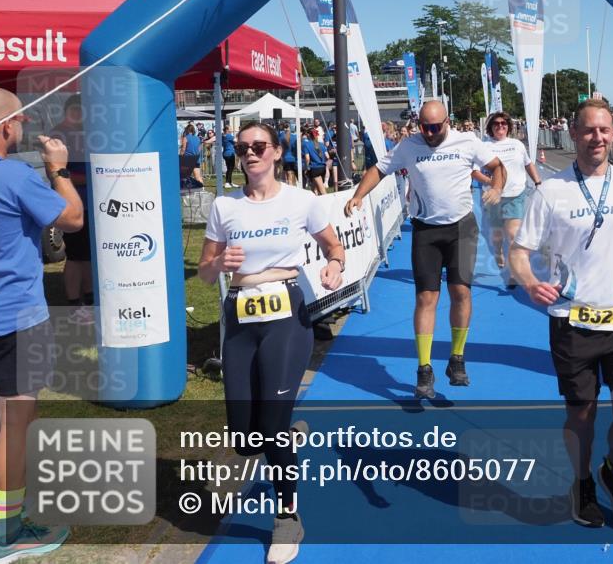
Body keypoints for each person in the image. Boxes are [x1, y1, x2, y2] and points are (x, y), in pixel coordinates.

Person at [508, 99, 613, 530]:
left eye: (605, 130)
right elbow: (518, 252)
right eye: (589, 130)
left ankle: (612, 471)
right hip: (571, 318)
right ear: (573, 135)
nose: (598, 137)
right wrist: (528, 282)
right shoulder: (549, 192)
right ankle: (581, 481)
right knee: (582, 416)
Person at [198, 121, 344, 564]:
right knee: (246, 440)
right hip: (240, 317)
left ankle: (287, 517)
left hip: (285, 315)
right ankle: (283, 434)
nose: (250, 154)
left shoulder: (301, 201)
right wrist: (220, 261)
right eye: (242, 148)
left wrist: (334, 267)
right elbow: (206, 272)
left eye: (259, 146)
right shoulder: (225, 206)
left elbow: (333, 247)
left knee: (273, 428)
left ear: (278, 152)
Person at [345, 101, 506, 398]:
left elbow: (497, 168)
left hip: (461, 227)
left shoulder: (467, 142)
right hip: (426, 229)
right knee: (425, 297)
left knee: (461, 293)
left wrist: (496, 188)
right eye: (424, 127)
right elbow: (378, 170)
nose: (430, 133)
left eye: (435, 127)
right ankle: (424, 368)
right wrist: (358, 196)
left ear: (447, 121)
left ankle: (456, 359)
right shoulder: (409, 145)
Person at [0, 86, 84, 561]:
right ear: (6, 126)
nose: (24, 127)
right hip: (16, 316)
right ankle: (8, 534)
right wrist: (59, 169)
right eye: (21, 121)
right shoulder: (13, 175)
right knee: (17, 424)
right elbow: (73, 217)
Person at [473, 112, 542, 283]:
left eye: (504, 123)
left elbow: (528, 164)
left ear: (508, 126)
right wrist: (492, 181)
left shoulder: (517, 144)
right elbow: (474, 172)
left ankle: (512, 272)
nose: (500, 126)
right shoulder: (484, 146)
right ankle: (498, 251)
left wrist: (538, 182)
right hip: (493, 197)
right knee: (497, 235)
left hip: (515, 195)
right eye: (496, 123)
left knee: (513, 234)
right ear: (491, 127)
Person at [49, 94, 94, 325]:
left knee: (87, 256)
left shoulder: (82, 134)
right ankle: (75, 305)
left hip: (90, 205)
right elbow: (57, 173)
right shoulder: (59, 136)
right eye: (78, 110)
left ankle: (89, 300)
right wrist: (94, 177)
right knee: (76, 257)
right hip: (73, 205)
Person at [302, 128, 328, 196]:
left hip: (315, 168)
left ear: (308, 135)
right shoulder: (321, 144)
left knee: (322, 191)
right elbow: (327, 156)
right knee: (314, 189)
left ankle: (327, 203)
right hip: (323, 168)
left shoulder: (306, 145)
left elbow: (307, 158)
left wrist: (306, 167)